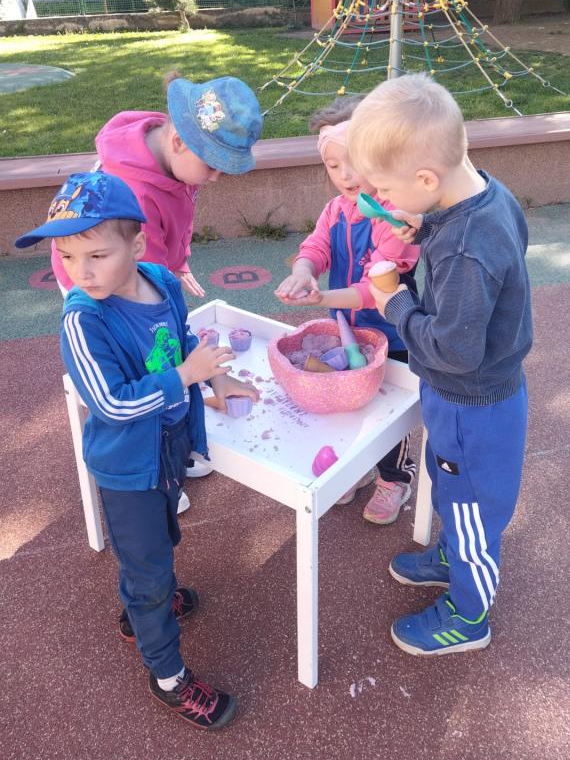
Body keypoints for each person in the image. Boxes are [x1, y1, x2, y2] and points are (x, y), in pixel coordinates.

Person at [16, 171, 259, 727]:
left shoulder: (162, 282)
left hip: (167, 447)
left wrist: (216, 378)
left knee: (159, 543)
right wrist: (185, 377)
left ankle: (140, 609)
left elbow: (182, 338)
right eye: (67, 256)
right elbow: (110, 404)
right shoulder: (84, 319)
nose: (80, 272)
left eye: (96, 255)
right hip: (127, 467)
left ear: (138, 245)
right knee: (147, 564)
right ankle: (167, 676)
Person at [347, 73, 532, 656]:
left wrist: (395, 303)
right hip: (474, 395)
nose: (381, 200)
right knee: (454, 488)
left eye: (386, 190)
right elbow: (480, 244)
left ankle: (469, 616)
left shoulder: (465, 251)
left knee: (471, 502)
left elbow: (454, 348)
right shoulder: (487, 198)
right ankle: (454, 554)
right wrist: (425, 225)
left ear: (426, 178)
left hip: (471, 401)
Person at [50, 72, 263, 495]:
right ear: (179, 142)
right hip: (100, 274)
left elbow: (173, 218)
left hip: (134, 262)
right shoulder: (137, 193)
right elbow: (139, 277)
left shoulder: (169, 145)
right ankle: (155, 465)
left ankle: (173, 443)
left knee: (164, 352)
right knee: (147, 363)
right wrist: (188, 366)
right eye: (213, 166)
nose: (215, 178)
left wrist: (175, 263)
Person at [275, 96, 420, 523]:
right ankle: (358, 466)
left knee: (388, 413)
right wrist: (303, 272)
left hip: (393, 332)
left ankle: (395, 477)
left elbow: (375, 292)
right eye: (334, 165)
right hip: (348, 329)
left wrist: (322, 299)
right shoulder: (336, 210)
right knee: (351, 403)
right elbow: (315, 248)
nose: (345, 175)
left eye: (353, 162)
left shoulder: (398, 220)